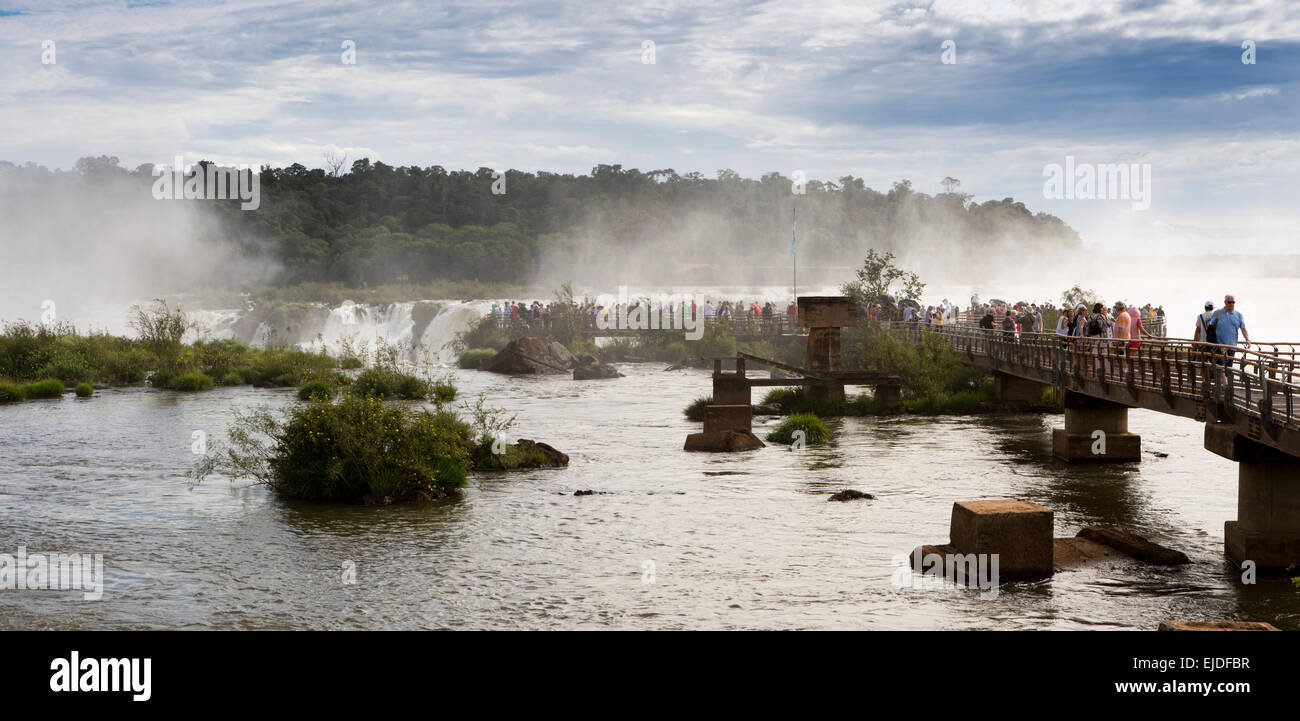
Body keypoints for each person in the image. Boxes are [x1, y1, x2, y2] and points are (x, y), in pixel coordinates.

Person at [1209, 294, 1250, 367]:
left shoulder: (1238, 315)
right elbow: (1211, 324)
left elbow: (1243, 328)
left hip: (1232, 347)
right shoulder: (1217, 313)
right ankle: (1221, 378)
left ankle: (1226, 378)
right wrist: (1210, 323)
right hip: (1219, 346)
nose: (1231, 304)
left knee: (1228, 369)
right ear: (1225, 302)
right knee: (1220, 368)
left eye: (1233, 302)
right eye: (1229, 302)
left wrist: (1247, 339)